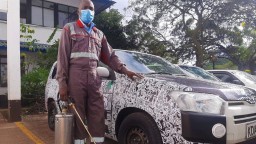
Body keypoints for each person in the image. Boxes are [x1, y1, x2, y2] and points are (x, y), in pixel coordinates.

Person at [56, 0, 143, 144]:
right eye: (85, 8)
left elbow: (110, 56)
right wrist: (62, 83)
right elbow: (62, 58)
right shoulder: (69, 29)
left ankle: (96, 142)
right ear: (79, 11)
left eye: (91, 9)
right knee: (78, 116)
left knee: (98, 114)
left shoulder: (99, 34)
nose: (89, 11)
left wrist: (125, 70)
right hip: (75, 76)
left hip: (94, 77)